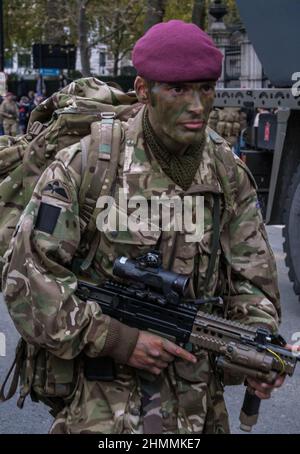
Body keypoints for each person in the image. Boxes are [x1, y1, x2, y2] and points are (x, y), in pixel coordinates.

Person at [2, 20, 284, 434]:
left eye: (205, 88)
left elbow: (253, 280)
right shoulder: (89, 164)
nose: (197, 105)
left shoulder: (226, 172)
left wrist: (254, 348)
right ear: (142, 90)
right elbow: (26, 280)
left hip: (200, 411)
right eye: (178, 89)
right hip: (104, 411)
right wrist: (118, 339)